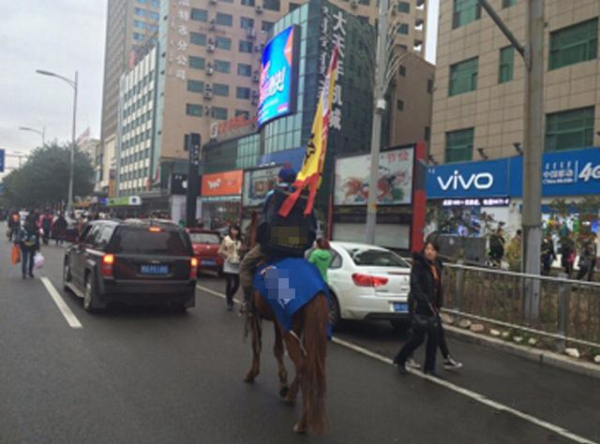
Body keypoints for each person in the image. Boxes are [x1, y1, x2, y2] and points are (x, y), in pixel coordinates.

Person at [239, 167, 316, 313]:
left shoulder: (273, 195)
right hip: (298, 249)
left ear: (279, 179)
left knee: (245, 266)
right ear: (294, 180)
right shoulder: (306, 197)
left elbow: (264, 221)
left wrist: (263, 241)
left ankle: (248, 301)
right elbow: (313, 226)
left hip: (273, 245)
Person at [394, 241, 448, 376]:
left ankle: (430, 367)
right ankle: (401, 359)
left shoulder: (437, 266)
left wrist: (437, 303)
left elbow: (438, 287)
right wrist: (424, 300)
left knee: (434, 337)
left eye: (432, 249)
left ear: (436, 252)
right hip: (419, 306)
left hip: (433, 306)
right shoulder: (418, 266)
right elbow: (415, 285)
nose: (429, 252)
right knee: (417, 338)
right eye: (427, 249)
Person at [219, 225, 243, 311]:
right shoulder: (226, 239)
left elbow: (242, 250)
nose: (234, 232)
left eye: (236, 230)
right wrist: (227, 256)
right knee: (229, 284)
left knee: (236, 284)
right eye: (233, 230)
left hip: (237, 264)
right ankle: (229, 302)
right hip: (229, 265)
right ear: (230, 230)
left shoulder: (240, 240)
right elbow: (220, 251)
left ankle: (230, 296)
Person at [17, 215, 40, 279]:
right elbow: (37, 238)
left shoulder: (24, 226)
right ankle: (30, 272)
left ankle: (24, 273)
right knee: (31, 259)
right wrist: (38, 247)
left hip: (24, 244)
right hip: (33, 245)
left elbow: (20, 235)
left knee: (25, 259)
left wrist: (18, 243)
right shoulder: (36, 227)